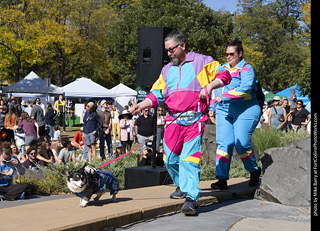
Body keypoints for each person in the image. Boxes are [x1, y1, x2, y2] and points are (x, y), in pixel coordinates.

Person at [130, 31, 231, 215]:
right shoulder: (167, 70)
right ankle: (182, 186)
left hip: (195, 119)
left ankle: (191, 198)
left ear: (182, 46)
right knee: (170, 160)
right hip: (173, 120)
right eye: (166, 51)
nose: (168, 54)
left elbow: (224, 75)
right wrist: (141, 105)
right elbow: (156, 94)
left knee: (188, 160)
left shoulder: (203, 61)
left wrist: (209, 87)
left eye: (171, 50)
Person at [210, 39, 261, 191]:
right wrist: (213, 106)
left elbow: (245, 88)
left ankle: (254, 170)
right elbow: (216, 89)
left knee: (241, 144)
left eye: (231, 54)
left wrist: (224, 98)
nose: (228, 57)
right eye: (226, 54)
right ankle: (221, 179)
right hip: (224, 110)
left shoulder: (247, 68)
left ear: (240, 54)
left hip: (246, 109)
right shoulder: (221, 68)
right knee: (223, 144)